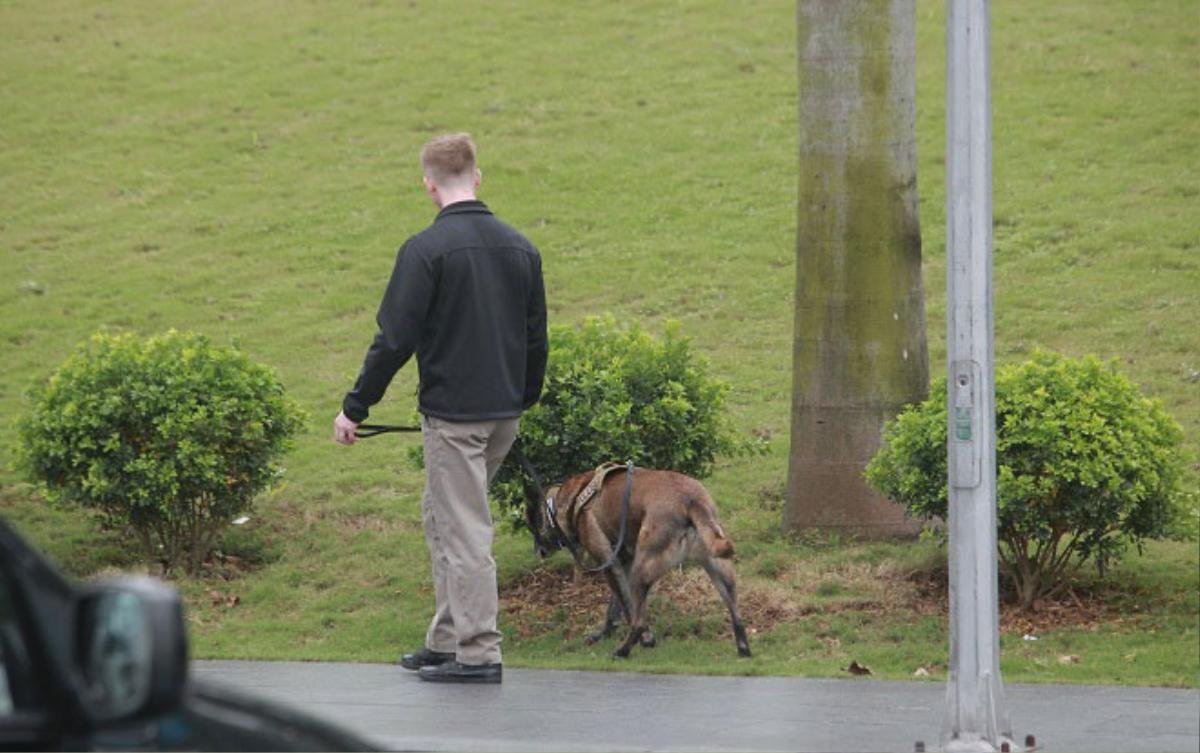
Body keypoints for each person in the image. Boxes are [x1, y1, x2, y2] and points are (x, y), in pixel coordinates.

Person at [333, 133, 548, 684]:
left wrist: (355, 407)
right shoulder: (521, 247)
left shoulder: (425, 251)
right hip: (504, 413)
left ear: (429, 186)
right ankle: (448, 639)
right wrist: (522, 399)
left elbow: (393, 340)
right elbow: (535, 338)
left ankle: (478, 653)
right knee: (443, 519)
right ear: (477, 176)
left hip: (456, 419)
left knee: (464, 531)